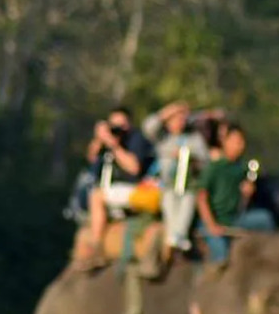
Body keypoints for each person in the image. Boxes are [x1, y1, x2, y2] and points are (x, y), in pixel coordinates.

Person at [74, 107, 155, 268]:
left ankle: (97, 247)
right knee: (93, 194)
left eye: (121, 125)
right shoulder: (107, 140)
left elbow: (134, 168)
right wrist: (99, 139)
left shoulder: (136, 139)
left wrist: (115, 146)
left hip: (134, 190)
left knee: (96, 196)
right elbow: (91, 157)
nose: (117, 129)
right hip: (110, 190)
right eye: (113, 125)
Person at [195, 122, 273, 263]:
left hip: (236, 219)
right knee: (220, 256)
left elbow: (243, 202)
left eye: (242, 142)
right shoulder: (214, 168)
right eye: (236, 141)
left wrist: (247, 193)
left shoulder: (241, 168)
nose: (240, 146)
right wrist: (211, 225)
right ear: (225, 141)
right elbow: (201, 197)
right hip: (216, 220)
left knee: (265, 219)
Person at [143, 101, 214, 251]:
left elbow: (206, 161)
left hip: (188, 184)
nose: (179, 122)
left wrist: (190, 158)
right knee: (168, 201)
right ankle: (173, 235)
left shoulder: (194, 139)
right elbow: (148, 126)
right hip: (166, 184)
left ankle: (178, 236)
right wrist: (170, 110)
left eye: (182, 118)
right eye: (175, 119)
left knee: (188, 201)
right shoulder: (163, 139)